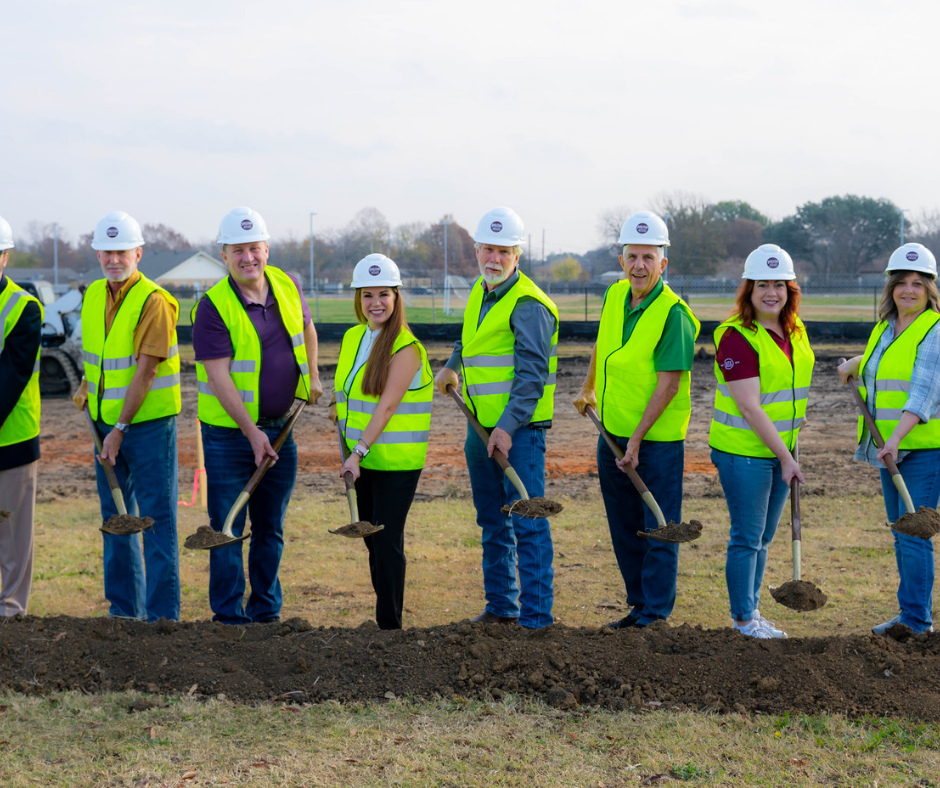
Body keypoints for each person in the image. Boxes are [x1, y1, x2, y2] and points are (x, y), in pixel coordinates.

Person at [193, 206, 322, 625]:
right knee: (228, 526)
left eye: (254, 248)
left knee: (270, 527)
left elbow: (307, 328)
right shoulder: (213, 307)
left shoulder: (286, 284)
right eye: (238, 251)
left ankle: (266, 611)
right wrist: (251, 433)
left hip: (282, 427)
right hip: (232, 437)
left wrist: (315, 375)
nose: (248, 257)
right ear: (224, 256)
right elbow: (218, 377)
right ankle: (229, 618)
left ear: (266, 248)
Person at [434, 207, 558, 629]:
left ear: (517, 255)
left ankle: (537, 619)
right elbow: (469, 337)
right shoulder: (479, 290)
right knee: (492, 520)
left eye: (503, 251)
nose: (494, 258)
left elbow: (531, 377)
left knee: (528, 520)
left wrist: (505, 428)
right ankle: (502, 606)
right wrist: (453, 362)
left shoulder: (529, 305)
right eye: (488, 248)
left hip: (518, 432)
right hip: (479, 426)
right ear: (477, 250)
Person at [574, 211, 699, 629]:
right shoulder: (614, 296)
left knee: (658, 527)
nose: (639, 265)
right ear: (622, 258)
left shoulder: (673, 314)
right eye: (632, 256)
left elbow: (668, 384)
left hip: (655, 444)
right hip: (611, 432)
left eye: (649, 257)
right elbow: (602, 345)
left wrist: (637, 440)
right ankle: (638, 606)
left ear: (664, 263)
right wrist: (589, 386)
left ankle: (656, 614)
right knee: (625, 526)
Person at [73, 211, 181, 622]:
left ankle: (162, 620)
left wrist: (118, 429)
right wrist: (87, 386)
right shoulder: (94, 295)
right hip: (105, 426)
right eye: (106, 252)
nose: (114, 259)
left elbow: (147, 370)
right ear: (98, 254)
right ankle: (123, 613)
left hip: (147, 428)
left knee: (154, 521)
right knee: (117, 520)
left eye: (122, 251)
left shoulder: (155, 301)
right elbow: (101, 359)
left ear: (138, 253)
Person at [709, 245, 815, 639]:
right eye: (762, 285)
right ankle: (742, 620)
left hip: (777, 449)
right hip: (744, 453)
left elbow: (786, 386)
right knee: (747, 537)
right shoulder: (736, 336)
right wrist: (787, 457)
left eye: (779, 285)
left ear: (790, 289)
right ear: (748, 289)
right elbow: (751, 408)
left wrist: (794, 423)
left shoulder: (795, 330)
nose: (771, 292)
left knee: (764, 538)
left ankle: (752, 613)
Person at [838, 243, 940, 635]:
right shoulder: (884, 328)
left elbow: (925, 389)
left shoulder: (934, 329)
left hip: (920, 448)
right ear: (891, 288)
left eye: (918, 283)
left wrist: (895, 438)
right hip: (889, 448)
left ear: (930, 289)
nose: (909, 290)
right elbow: (885, 364)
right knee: (901, 533)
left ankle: (917, 623)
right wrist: (856, 364)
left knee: (914, 536)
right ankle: (908, 614)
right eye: (902, 283)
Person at [330, 254, 433, 630]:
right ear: (358, 298)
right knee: (372, 540)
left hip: (395, 463)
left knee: (386, 541)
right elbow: (354, 391)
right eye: (368, 294)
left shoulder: (406, 348)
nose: (376, 302)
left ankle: (390, 627)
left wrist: (356, 452)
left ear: (397, 297)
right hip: (364, 460)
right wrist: (338, 411)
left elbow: (387, 406)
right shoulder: (353, 337)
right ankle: (385, 619)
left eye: (384, 294)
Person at [0, 216, 43, 616]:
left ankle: (11, 613)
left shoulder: (23, 308)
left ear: (5, 257)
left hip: (11, 441)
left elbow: (10, 379)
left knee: (12, 535)